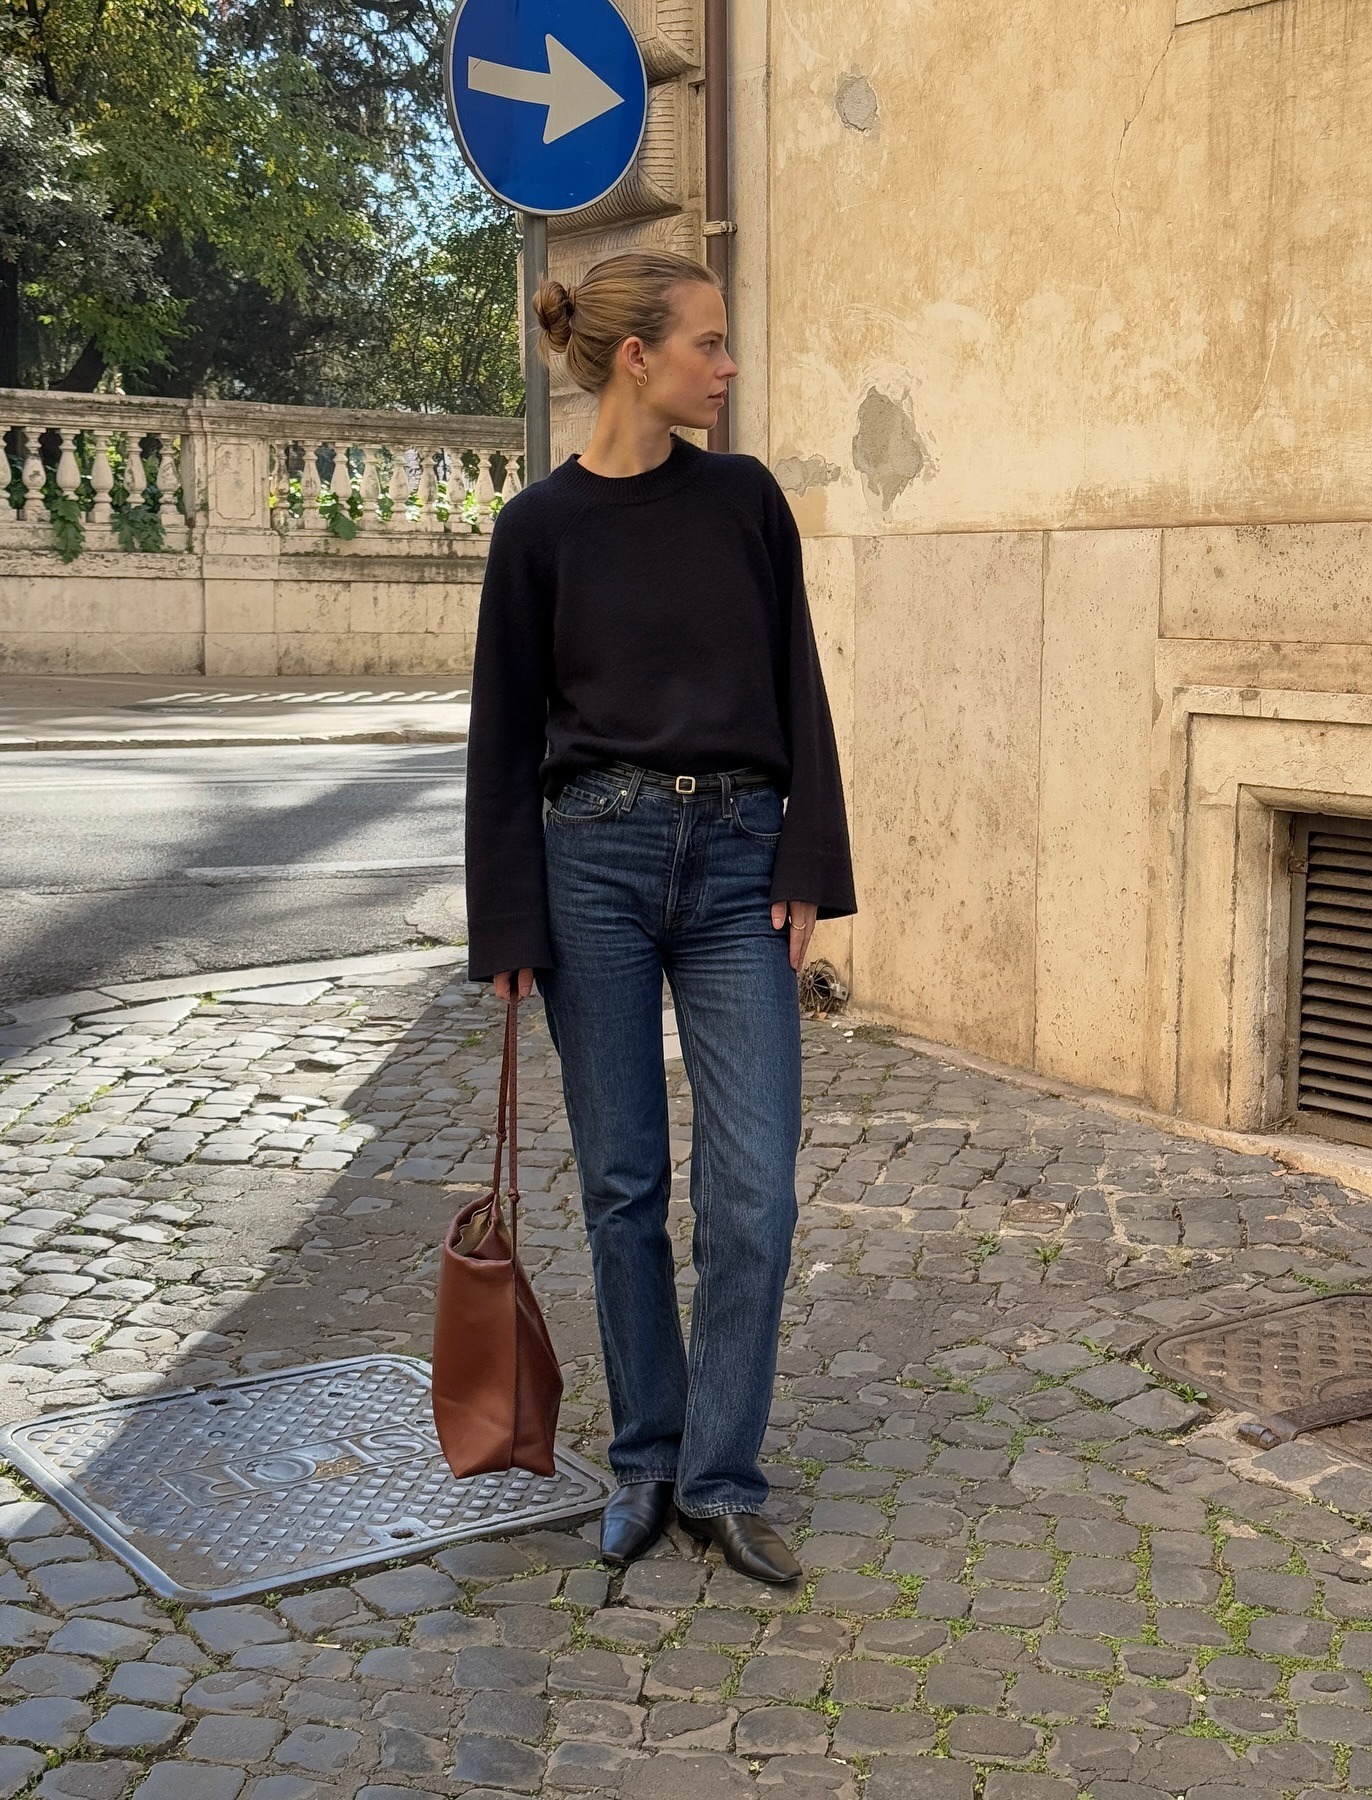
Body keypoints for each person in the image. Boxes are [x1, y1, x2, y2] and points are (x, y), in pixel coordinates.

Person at [464, 249, 856, 1585]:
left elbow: (798, 683)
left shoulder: (745, 503)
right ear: (638, 355)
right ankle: (645, 1456)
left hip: (742, 858)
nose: (729, 367)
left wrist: (810, 851)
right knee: (624, 1186)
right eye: (710, 345)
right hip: (595, 869)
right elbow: (505, 737)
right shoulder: (539, 530)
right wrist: (508, 921)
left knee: (753, 1192)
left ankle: (723, 1475)